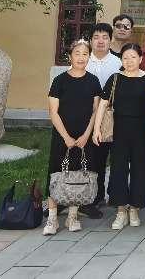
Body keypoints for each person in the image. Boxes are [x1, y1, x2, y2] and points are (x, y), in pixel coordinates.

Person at [43, 39, 101, 236]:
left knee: (79, 174)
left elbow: (95, 111)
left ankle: (73, 216)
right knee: (56, 174)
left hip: (84, 137)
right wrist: (66, 137)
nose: (81, 58)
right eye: (77, 53)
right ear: (70, 56)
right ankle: (52, 219)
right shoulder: (59, 81)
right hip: (62, 136)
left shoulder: (93, 81)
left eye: (85, 54)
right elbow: (53, 112)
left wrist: (86, 135)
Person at [93, 44, 145, 230]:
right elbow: (103, 104)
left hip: (142, 131)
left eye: (133, 57)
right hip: (118, 131)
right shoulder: (115, 78)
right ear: (121, 60)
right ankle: (120, 210)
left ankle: (134, 208)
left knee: (139, 170)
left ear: (140, 59)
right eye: (125, 57)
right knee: (118, 170)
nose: (129, 61)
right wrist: (96, 129)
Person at [86, 22, 122, 215]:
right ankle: (95, 196)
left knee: (115, 158)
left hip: (112, 118)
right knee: (94, 159)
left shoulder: (118, 63)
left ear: (110, 40)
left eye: (105, 37)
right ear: (91, 40)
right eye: (96, 37)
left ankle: (115, 196)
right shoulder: (83, 59)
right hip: (86, 118)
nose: (100, 41)